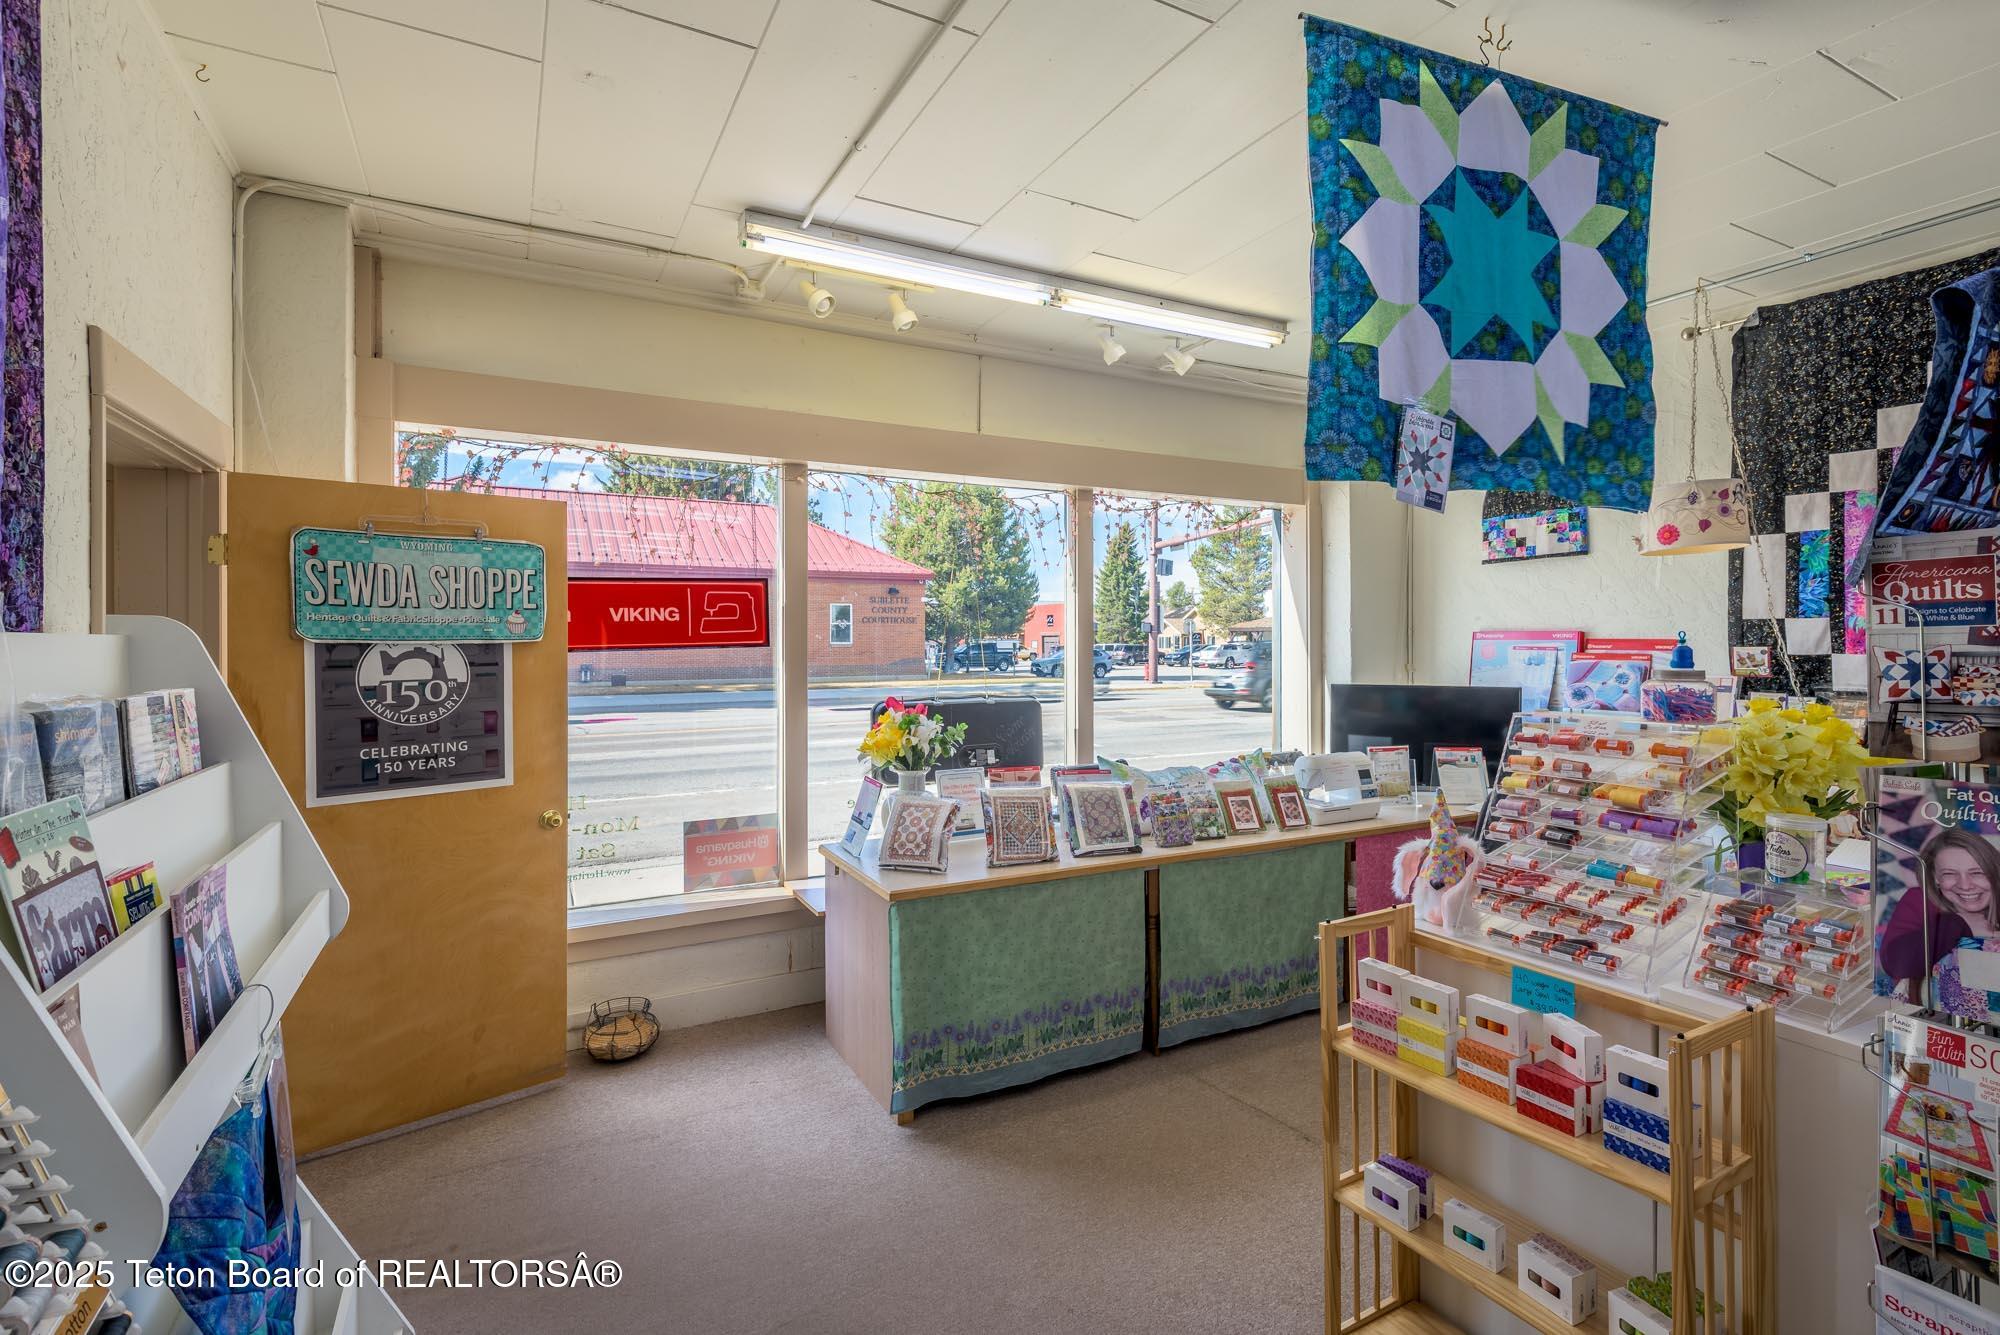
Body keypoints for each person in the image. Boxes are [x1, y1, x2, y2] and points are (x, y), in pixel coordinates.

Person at [1881, 825, 2000, 998]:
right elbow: (1896, 964)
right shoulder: (1919, 901)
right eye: (1949, 874)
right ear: (1935, 877)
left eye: (1977, 873)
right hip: (1934, 1016)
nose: (1965, 885)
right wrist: (1960, 923)